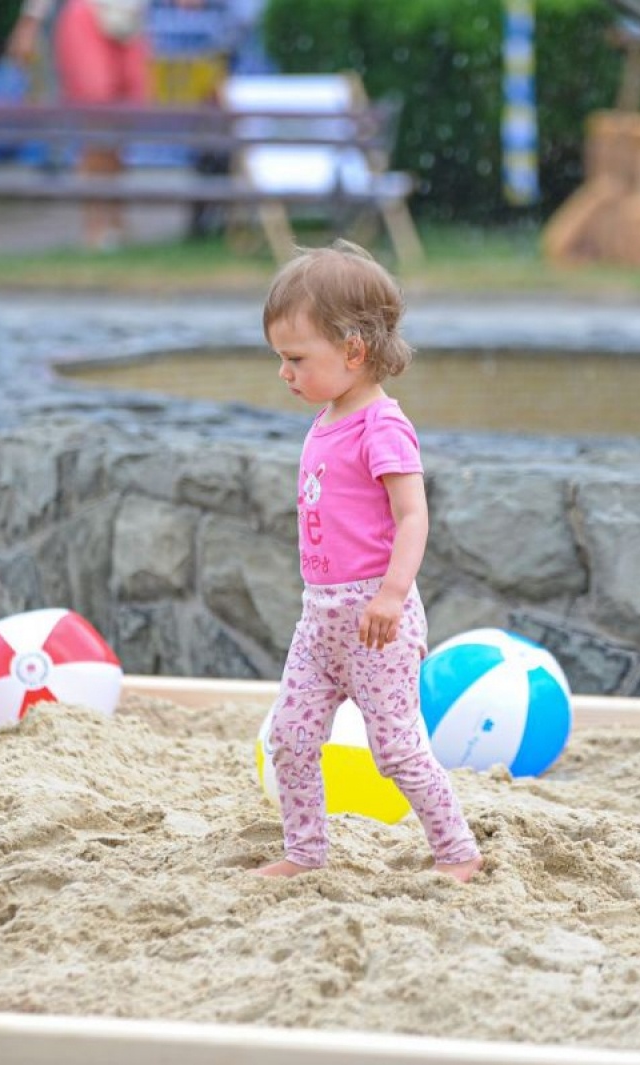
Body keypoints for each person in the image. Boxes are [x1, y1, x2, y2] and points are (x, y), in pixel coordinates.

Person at [254, 240, 484, 884]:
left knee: (395, 748)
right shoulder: (328, 417)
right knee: (291, 737)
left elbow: (413, 515)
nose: (285, 373)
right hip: (320, 618)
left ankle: (457, 850)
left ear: (354, 351)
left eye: (296, 359)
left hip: (375, 621)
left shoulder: (382, 425)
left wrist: (391, 593)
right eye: (281, 359)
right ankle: (304, 851)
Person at [6, 0, 152, 250]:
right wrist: (30, 21)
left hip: (131, 19)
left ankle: (116, 223)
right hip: (86, 13)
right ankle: (94, 228)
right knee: (95, 121)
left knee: (123, 124)